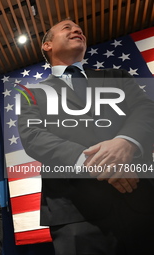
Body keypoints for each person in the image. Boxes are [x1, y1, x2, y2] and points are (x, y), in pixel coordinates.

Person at [18, 19, 154, 255]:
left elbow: (145, 110)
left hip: (141, 199)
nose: (77, 30)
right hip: (75, 213)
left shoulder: (117, 76)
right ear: (47, 45)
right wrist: (98, 163)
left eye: (79, 29)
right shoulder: (32, 93)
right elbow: (33, 136)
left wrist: (126, 143)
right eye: (67, 28)